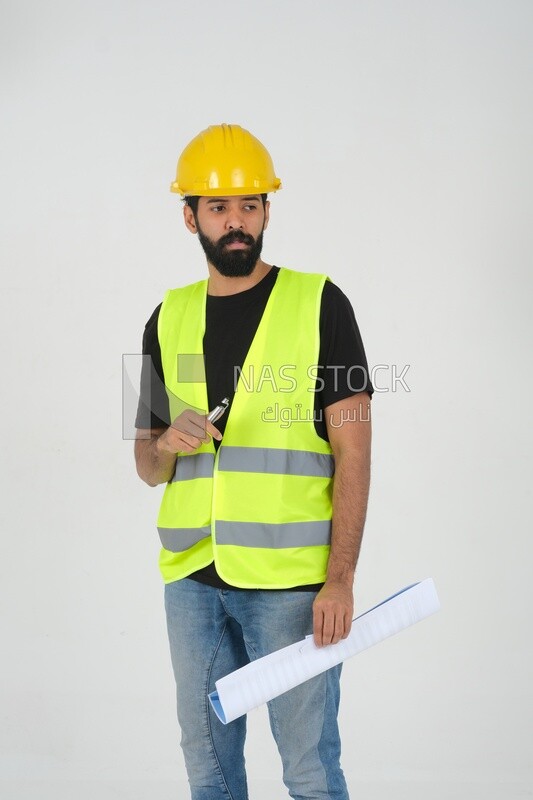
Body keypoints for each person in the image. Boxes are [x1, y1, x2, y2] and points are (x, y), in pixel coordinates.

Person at [134, 123, 373, 800]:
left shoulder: (321, 303)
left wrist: (340, 580)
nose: (235, 222)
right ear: (190, 217)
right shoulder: (163, 317)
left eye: (248, 205)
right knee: (205, 758)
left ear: (267, 210)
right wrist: (164, 445)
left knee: (307, 764)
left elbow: (355, 452)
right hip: (191, 581)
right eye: (217, 207)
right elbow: (144, 466)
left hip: (292, 586)